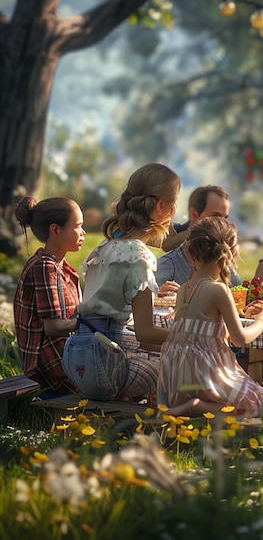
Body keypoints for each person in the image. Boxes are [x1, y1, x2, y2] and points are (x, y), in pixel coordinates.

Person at [62, 163, 180, 401]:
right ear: (160, 206)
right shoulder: (138, 256)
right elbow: (145, 333)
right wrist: (194, 336)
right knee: (184, 366)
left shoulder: (106, 246)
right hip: (106, 368)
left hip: (80, 360)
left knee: (161, 351)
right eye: (174, 202)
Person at [158, 217, 263, 417]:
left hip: (177, 373)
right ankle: (201, 407)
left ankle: (184, 407)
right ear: (232, 253)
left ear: (189, 253)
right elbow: (239, 339)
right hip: (204, 372)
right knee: (257, 404)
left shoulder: (183, 289)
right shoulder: (218, 290)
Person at [13, 197, 85, 396]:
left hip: (62, 353)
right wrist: (91, 320)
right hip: (47, 364)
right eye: (78, 226)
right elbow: (53, 328)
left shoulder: (61, 267)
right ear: (56, 230)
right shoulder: (45, 267)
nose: (83, 232)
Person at [155, 184, 240, 289]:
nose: (222, 224)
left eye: (225, 218)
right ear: (194, 215)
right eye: (215, 216)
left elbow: (241, 295)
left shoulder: (223, 258)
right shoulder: (169, 265)